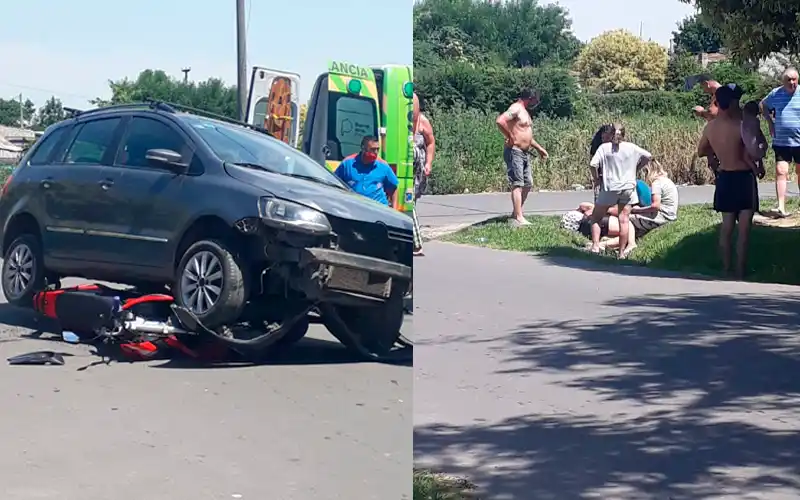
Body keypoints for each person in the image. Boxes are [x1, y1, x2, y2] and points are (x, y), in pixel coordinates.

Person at [698, 84, 759, 280]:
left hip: (724, 176)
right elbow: (755, 151)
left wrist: (714, 159)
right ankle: (740, 271)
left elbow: (701, 151)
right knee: (743, 229)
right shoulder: (740, 125)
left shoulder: (710, 127)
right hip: (743, 177)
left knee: (726, 227)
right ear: (732, 103)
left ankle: (726, 269)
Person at [588, 123, 652, 258]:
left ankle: (595, 246)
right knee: (623, 220)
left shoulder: (604, 148)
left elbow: (593, 164)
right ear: (624, 134)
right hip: (628, 188)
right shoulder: (631, 147)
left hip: (610, 187)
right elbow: (648, 156)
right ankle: (622, 253)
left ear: (610, 134)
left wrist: (596, 179)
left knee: (596, 217)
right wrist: (636, 168)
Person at [495, 88, 549, 227]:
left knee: (528, 183)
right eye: (534, 101)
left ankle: (516, 213)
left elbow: (527, 136)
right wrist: (510, 136)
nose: (535, 104)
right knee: (517, 183)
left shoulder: (525, 112)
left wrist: (540, 149)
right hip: (515, 151)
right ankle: (518, 217)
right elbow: (500, 121)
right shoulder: (516, 108)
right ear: (529, 98)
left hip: (524, 152)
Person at [761, 67, 800, 217]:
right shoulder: (775, 94)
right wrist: (770, 122)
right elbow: (763, 105)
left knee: (799, 172)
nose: (792, 82)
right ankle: (781, 207)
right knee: (781, 171)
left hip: (799, 142)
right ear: (783, 81)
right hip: (782, 141)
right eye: (788, 80)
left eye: (794, 79)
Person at [334, 136, 399, 207]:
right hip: (354, 208)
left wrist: (394, 209)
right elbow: (334, 183)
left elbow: (393, 188)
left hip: (378, 209)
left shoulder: (383, 166)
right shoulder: (347, 163)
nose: (376, 152)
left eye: (378, 149)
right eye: (373, 149)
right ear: (363, 148)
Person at [412, 92, 435, 257]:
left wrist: (428, 163)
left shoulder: (423, 122)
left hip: (417, 170)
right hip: (403, 170)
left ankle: (415, 241)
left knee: (411, 201)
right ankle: (416, 242)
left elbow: (431, 142)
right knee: (409, 203)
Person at [693, 75, 722, 177]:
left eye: (703, 87)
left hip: (719, 137)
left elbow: (714, 114)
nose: (704, 90)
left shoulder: (719, 94)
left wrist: (701, 112)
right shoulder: (718, 94)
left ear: (707, 83)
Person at [741, 100, 768, 180]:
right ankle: (759, 165)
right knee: (758, 156)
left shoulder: (744, 122)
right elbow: (758, 134)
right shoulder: (756, 121)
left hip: (750, 147)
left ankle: (755, 170)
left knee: (746, 157)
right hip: (757, 146)